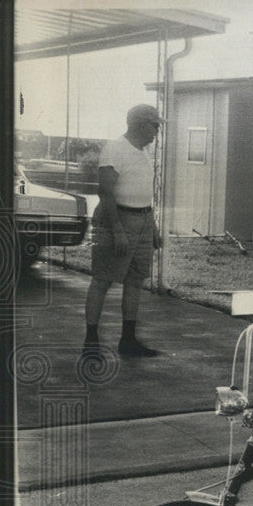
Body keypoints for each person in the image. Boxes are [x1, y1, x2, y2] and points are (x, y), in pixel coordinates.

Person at [83, 104, 164, 357]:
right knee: (102, 280)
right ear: (141, 124)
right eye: (155, 125)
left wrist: (152, 226)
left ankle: (127, 341)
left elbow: (142, 191)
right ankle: (91, 342)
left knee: (135, 281)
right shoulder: (115, 148)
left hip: (142, 220)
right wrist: (117, 229)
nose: (157, 131)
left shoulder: (143, 151)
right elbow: (105, 192)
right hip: (116, 219)